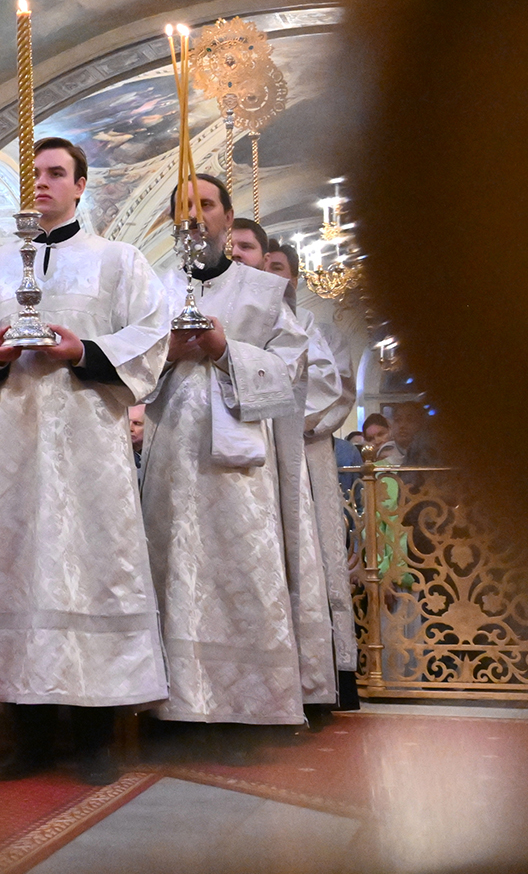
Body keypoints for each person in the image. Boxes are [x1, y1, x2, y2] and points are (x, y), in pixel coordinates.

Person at [0, 137, 170, 786]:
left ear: (80, 185)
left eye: (55, 173)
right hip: (13, 448)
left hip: (89, 448)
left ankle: (96, 739)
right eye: (35, 174)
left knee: (93, 574)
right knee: (16, 573)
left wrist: (84, 351)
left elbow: (152, 334)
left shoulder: (118, 260)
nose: (42, 183)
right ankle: (29, 737)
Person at [139, 174, 313, 755]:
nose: (195, 216)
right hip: (170, 457)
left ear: (228, 217)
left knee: (239, 573)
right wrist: (165, 353)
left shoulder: (263, 292)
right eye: (184, 208)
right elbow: (126, 367)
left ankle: (243, 712)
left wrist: (224, 351)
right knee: (170, 569)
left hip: (239, 470)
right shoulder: (154, 289)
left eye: (207, 205)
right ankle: (170, 711)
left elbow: (290, 372)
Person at [268, 241, 362, 713]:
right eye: (262, 266)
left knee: (312, 560)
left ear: (294, 278)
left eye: (278, 268)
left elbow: (333, 390)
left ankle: (323, 678)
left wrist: (280, 419)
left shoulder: (312, 327)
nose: (270, 275)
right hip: (255, 456)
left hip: (303, 456)